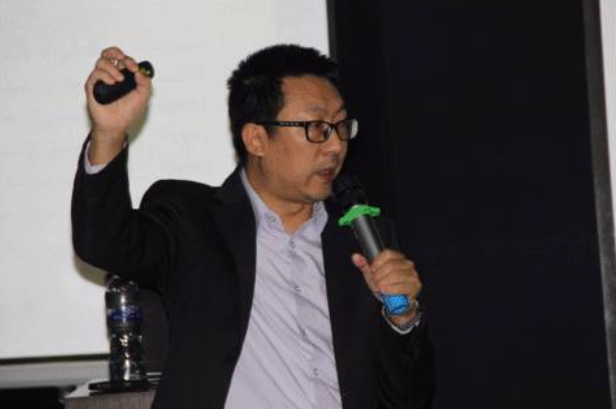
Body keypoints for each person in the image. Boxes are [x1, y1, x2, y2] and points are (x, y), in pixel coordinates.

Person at [72, 44, 435, 409]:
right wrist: (109, 134)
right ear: (256, 139)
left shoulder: (364, 240)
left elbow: (408, 401)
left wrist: (402, 318)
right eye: (317, 128)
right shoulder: (192, 222)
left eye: (341, 126)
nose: (335, 146)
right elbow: (103, 242)